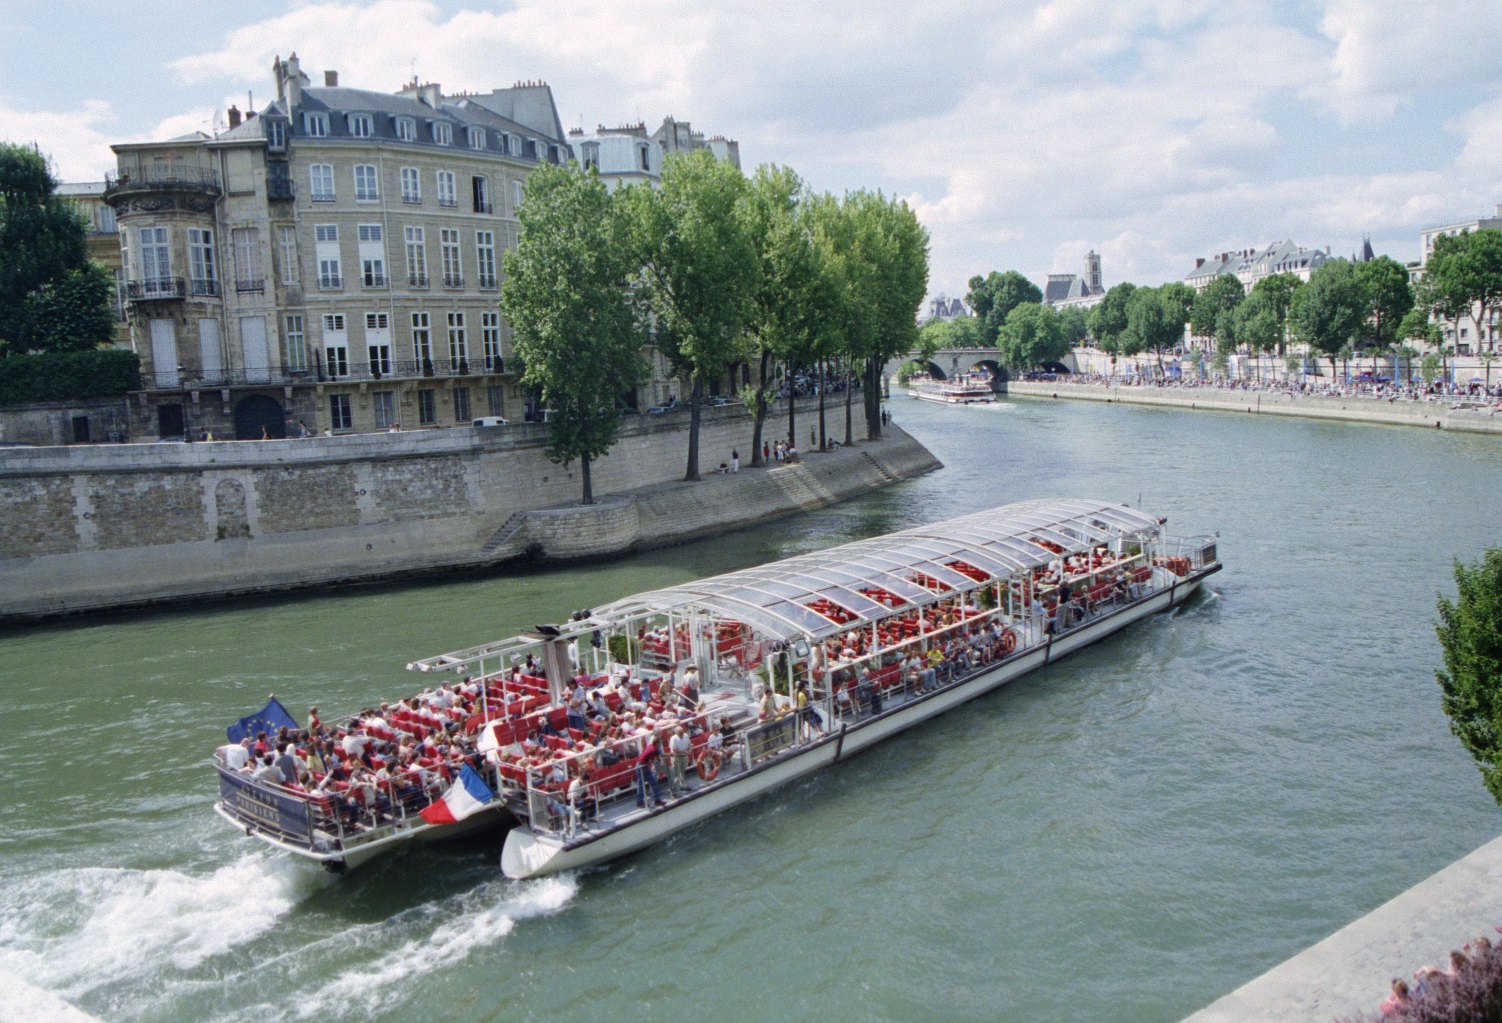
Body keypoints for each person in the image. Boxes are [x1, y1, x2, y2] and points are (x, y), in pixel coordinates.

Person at [634, 732, 665, 808]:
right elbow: (658, 758)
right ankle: (640, 802)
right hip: (641, 767)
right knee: (641, 785)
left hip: (644, 766)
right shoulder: (654, 750)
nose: (661, 744)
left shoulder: (651, 746)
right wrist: (670, 755)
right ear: (657, 743)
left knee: (653, 782)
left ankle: (657, 799)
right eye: (660, 743)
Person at [668, 726, 692, 795]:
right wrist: (685, 752)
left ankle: (683, 785)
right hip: (676, 757)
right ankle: (675, 789)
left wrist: (690, 749)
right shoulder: (673, 738)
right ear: (676, 733)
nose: (682, 733)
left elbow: (689, 744)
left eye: (682, 731)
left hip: (684, 757)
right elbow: (674, 749)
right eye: (680, 732)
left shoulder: (686, 736)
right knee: (676, 773)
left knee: (683, 771)